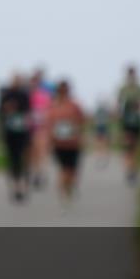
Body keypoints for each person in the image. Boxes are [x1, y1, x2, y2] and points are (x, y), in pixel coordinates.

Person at [46, 79, 86, 211]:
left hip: (73, 143)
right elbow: (49, 125)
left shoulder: (74, 106)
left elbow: (82, 121)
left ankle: (69, 189)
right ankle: (63, 195)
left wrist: (78, 133)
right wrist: (50, 140)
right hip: (59, 144)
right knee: (64, 170)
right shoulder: (53, 106)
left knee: (72, 171)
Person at [0, 72, 32, 203]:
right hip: (9, 133)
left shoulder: (24, 95)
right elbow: (1, 113)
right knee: (12, 160)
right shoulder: (5, 95)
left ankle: (23, 185)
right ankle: (15, 186)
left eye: (18, 80)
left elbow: (27, 112)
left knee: (22, 159)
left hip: (22, 132)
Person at [117, 65, 140, 185]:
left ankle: (133, 169)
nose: (131, 76)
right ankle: (129, 170)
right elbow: (118, 104)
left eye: (132, 74)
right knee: (128, 147)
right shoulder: (123, 89)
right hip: (126, 122)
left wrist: (139, 104)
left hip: (137, 122)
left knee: (137, 147)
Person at [27, 68, 53, 189]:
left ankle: (41, 174)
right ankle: (36, 173)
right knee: (33, 153)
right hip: (30, 128)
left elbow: (49, 111)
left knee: (42, 151)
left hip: (42, 128)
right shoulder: (27, 96)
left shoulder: (44, 96)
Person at [92, 97, 113, 168]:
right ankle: (102, 154)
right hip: (102, 127)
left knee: (100, 142)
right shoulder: (104, 110)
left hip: (100, 127)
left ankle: (100, 154)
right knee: (103, 142)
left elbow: (95, 119)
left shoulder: (99, 110)